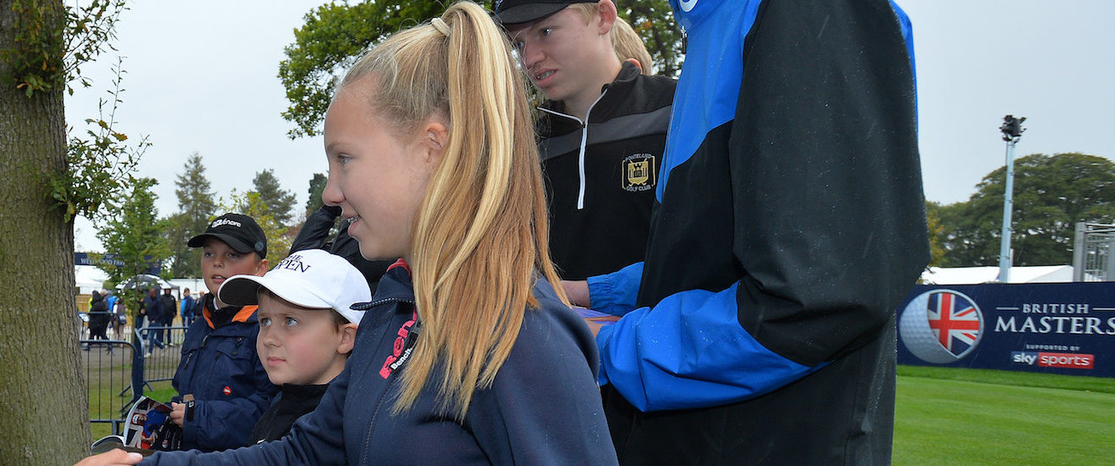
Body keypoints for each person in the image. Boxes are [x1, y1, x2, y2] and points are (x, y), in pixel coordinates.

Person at [80, 3, 615, 464]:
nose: (331, 193)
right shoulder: (394, 310)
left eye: (345, 159)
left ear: (433, 149)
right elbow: (304, 453)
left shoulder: (518, 334)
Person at [562, 0, 926, 464]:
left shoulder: (801, 11)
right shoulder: (712, 24)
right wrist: (589, 294)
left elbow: (814, 298)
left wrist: (604, 343)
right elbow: (707, 259)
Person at [495, 0, 676, 281]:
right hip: (552, 324)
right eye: (518, 44)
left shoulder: (677, 110)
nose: (529, 59)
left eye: (545, 32)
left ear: (604, 17)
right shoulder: (523, 146)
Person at [213, 249, 368, 444]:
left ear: (345, 337)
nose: (269, 339)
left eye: (290, 321)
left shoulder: (339, 433)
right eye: (265, 321)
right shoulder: (284, 405)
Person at [165, 213, 279, 452]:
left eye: (232, 254)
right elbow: (185, 392)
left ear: (261, 267)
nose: (217, 262)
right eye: (209, 253)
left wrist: (198, 417)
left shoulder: (268, 329)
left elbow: (272, 408)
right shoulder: (199, 326)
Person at [290, 205, 395, 293]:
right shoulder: (336, 247)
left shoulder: (384, 252)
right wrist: (327, 211)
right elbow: (297, 264)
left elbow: (341, 273)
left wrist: (328, 212)